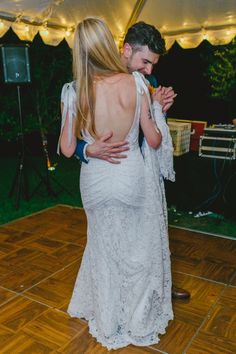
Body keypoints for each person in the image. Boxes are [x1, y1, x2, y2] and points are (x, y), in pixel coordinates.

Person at [59, 17, 173, 350]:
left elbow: (67, 148)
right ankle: (136, 319)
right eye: (146, 61)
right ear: (115, 47)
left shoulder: (73, 90)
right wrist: (156, 110)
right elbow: (152, 140)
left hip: (95, 179)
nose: (149, 68)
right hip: (130, 177)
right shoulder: (138, 85)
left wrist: (89, 148)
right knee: (134, 251)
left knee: (103, 250)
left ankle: (109, 322)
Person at [72, 21, 190, 300]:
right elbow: (73, 133)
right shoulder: (94, 78)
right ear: (126, 50)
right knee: (116, 236)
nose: (150, 71)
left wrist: (162, 109)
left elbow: (151, 130)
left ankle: (156, 285)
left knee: (149, 234)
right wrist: (87, 150)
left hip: (144, 172)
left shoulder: (147, 82)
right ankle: (119, 294)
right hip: (108, 174)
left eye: (153, 65)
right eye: (145, 62)